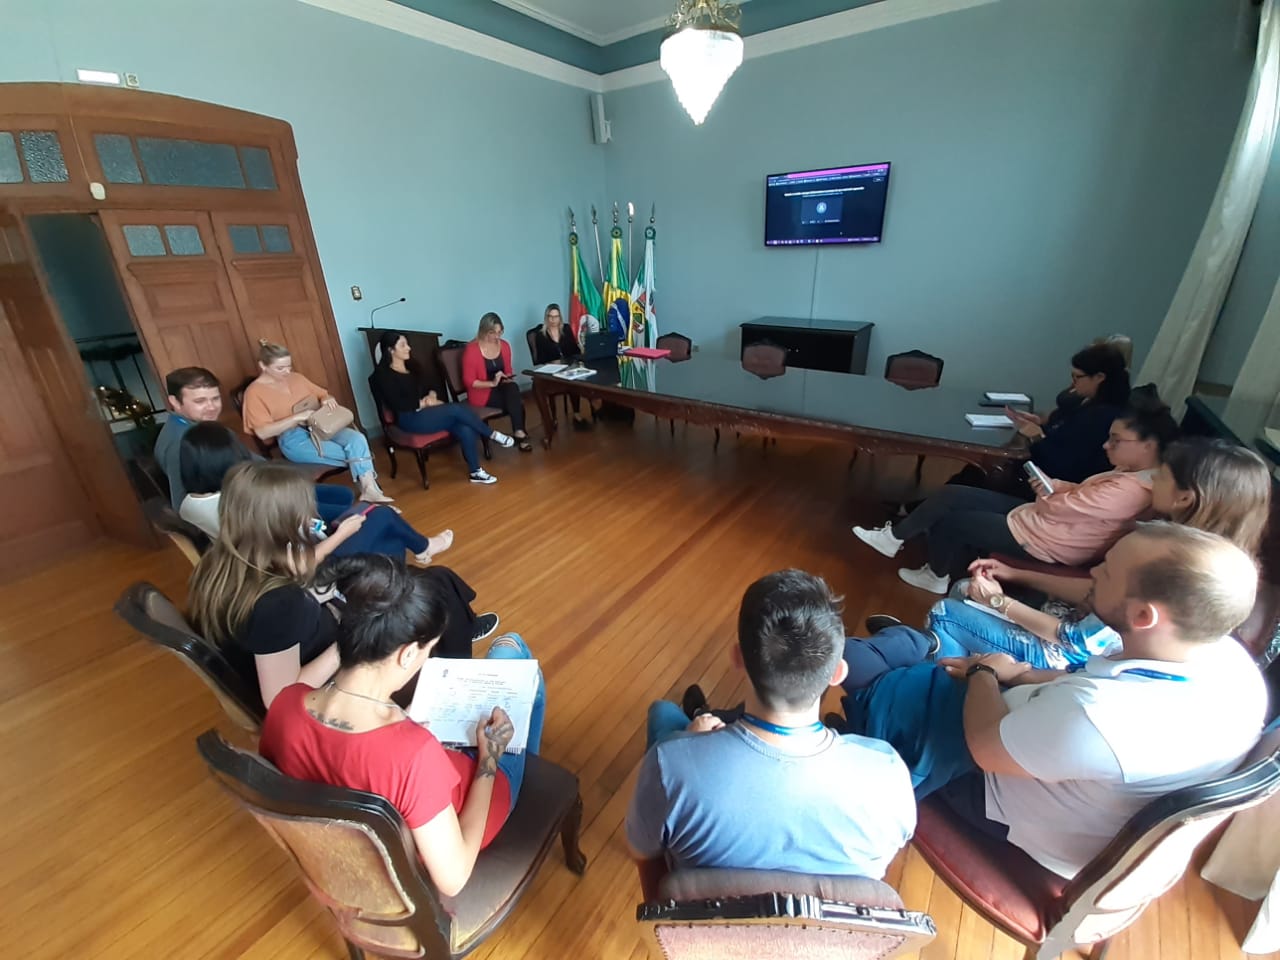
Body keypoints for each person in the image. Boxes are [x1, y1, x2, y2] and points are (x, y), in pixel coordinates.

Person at [835, 524, 1266, 880]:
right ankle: (911, 652)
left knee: (873, 671)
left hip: (994, 793)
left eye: (1108, 572)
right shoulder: (1228, 663)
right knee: (913, 658)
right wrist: (1018, 674)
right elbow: (1082, 679)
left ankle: (848, 733)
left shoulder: (1100, 718)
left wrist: (985, 673)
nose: (1094, 571)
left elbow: (985, 746)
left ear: (1144, 616)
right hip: (1045, 757)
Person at [258, 555, 544, 897]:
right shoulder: (413, 754)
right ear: (407, 654)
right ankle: (526, 778)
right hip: (459, 820)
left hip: (372, 842)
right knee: (511, 650)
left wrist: (403, 722)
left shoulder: (286, 704)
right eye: (427, 650)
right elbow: (453, 879)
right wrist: (489, 759)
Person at [626, 570, 915, 886]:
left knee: (664, 713)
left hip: (705, 908)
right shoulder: (889, 775)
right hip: (824, 918)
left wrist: (690, 747)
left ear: (737, 658)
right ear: (838, 673)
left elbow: (646, 857)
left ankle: (701, 717)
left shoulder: (670, 764)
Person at [915, 437, 1275, 668]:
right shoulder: (1221, 558)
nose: (1151, 482)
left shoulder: (1178, 566)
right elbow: (1097, 587)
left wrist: (998, 602)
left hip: (1078, 659)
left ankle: (954, 689)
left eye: (1160, 477)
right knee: (969, 589)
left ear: (1185, 497)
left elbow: (1078, 642)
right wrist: (1017, 573)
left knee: (951, 607)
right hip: (1082, 635)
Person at [188, 463, 492, 707]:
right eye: (302, 511)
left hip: (327, 643)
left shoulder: (221, 562)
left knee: (432, 580)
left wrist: (314, 597)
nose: (310, 517)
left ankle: (460, 642)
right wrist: (352, 635)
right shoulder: (278, 604)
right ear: (280, 523)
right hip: (345, 687)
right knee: (434, 593)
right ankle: (455, 692)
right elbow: (280, 700)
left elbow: (278, 628)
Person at [853, 388, 1178, 593]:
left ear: (1149, 445)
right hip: (1042, 520)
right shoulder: (1132, 473)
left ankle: (935, 577)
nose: (1106, 445)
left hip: (1047, 540)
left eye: (1116, 441)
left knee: (952, 521)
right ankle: (893, 537)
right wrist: (1053, 487)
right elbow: (1078, 494)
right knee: (955, 494)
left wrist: (1047, 493)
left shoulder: (1131, 490)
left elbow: (1060, 507)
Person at [241, 340, 392, 503]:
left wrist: (327, 399)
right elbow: (263, 432)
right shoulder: (254, 393)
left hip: (321, 425)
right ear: (263, 366)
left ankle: (369, 491)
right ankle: (371, 492)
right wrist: (296, 418)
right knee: (357, 451)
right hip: (294, 439)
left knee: (358, 439)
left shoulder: (296, 378)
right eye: (280, 368)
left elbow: (323, 394)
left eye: (289, 366)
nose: (287, 372)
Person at [372, 331, 514, 485]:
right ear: (391, 350)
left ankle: (476, 472)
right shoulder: (382, 376)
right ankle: (492, 434)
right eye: (403, 345)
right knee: (455, 409)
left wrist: (431, 395)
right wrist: (424, 403)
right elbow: (397, 404)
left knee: (464, 427)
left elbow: (430, 386)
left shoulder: (413, 367)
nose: (408, 348)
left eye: (407, 344)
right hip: (409, 418)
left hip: (428, 413)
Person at [177, 421, 354, 538]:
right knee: (348, 513)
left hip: (278, 507)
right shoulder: (242, 501)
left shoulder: (187, 504)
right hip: (293, 530)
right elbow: (296, 531)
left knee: (342, 495)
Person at [1005, 342, 1131, 484]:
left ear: (1099, 377)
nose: (1073, 383)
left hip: (1055, 484)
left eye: (1078, 377)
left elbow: (1064, 465)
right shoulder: (1087, 402)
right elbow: (1061, 434)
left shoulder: (1103, 416)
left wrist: (1037, 437)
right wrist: (1039, 426)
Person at [155, 366, 250, 509]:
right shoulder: (181, 441)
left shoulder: (204, 426)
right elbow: (182, 504)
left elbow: (250, 459)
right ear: (174, 402)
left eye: (215, 398)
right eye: (200, 401)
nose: (211, 407)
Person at [463, 313, 533, 452]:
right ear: (484, 331)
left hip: (502, 387)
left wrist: (507, 377)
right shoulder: (472, 350)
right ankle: (520, 435)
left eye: (500, 332)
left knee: (513, 388)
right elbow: (469, 381)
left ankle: (519, 432)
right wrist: (492, 383)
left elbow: (508, 370)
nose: (497, 336)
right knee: (515, 401)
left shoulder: (504, 346)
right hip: (482, 393)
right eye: (493, 333)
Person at [532, 303, 592, 430]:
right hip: (553, 372)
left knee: (576, 382)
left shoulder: (566, 329)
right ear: (546, 318)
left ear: (560, 317)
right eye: (550, 317)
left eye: (556, 317)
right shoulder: (540, 335)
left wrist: (581, 352)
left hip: (569, 368)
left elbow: (574, 350)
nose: (553, 320)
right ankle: (551, 419)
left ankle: (577, 414)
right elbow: (540, 358)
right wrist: (554, 363)